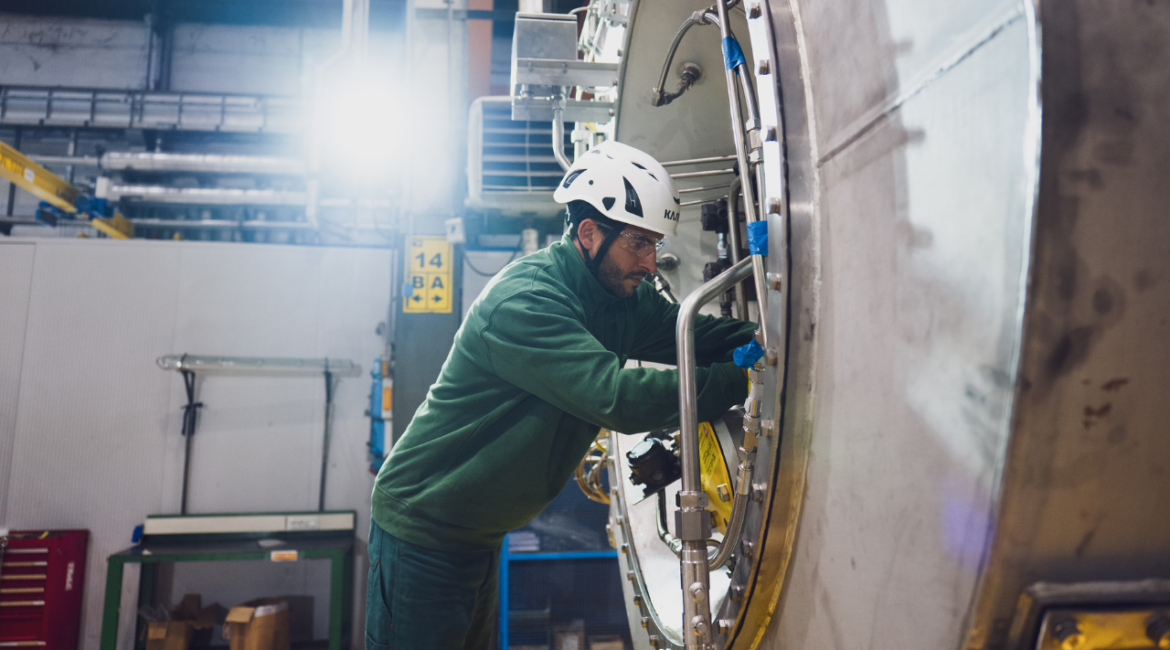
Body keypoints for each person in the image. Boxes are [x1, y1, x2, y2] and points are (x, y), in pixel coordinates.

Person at [366, 140, 756, 650]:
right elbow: (616, 397)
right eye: (638, 243)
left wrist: (767, 341)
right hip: (421, 535)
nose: (650, 261)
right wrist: (739, 379)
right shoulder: (528, 301)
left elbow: (690, 335)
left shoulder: (619, 296)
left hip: (476, 536)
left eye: (654, 244)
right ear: (590, 233)